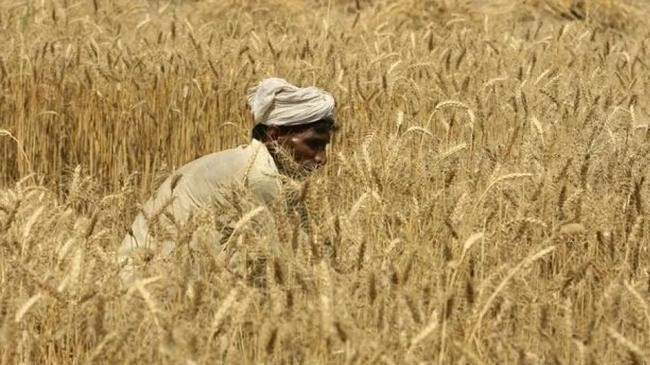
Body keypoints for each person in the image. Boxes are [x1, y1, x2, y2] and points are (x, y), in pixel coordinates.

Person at [117, 77, 337, 283]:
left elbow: (310, 244)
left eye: (324, 146)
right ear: (275, 135)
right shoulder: (257, 176)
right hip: (148, 283)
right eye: (313, 144)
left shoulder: (259, 165)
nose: (322, 158)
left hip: (157, 278)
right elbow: (277, 265)